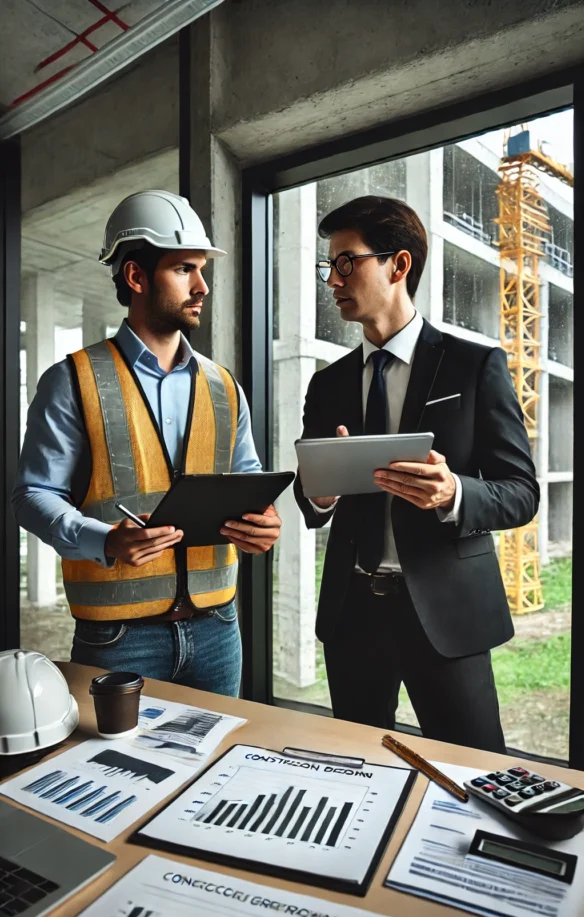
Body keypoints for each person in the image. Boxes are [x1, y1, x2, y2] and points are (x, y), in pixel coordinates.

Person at [294, 195, 539, 752]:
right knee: (356, 770)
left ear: (398, 265)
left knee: (476, 773)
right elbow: (312, 504)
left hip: (447, 616)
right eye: (328, 266)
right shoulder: (327, 385)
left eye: (346, 261)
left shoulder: (474, 366)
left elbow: (521, 493)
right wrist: (322, 494)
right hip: (352, 615)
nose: (332, 279)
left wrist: (455, 493)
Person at [13, 190, 281, 696]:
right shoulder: (71, 380)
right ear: (135, 277)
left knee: (213, 771)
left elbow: (248, 483)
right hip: (118, 637)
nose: (202, 286)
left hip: (218, 628)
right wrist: (105, 541)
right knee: (113, 771)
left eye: (202, 270)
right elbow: (31, 496)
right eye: (184, 269)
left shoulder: (224, 386)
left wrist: (262, 524)